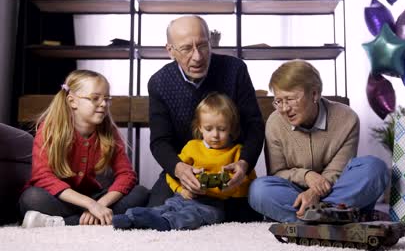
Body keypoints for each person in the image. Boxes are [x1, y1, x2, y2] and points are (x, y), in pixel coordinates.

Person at [147, 15, 264, 222]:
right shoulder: (158, 82)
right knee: (158, 210)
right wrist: (180, 170)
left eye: (203, 46)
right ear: (170, 50)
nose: (198, 57)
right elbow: (160, 142)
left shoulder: (236, 70)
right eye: (186, 49)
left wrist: (244, 164)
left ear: (211, 42)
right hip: (185, 169)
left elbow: (254, 125)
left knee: (248, 217)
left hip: (229, 170)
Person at [248, 60, 389, 222]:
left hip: (336, 187)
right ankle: (340, 216)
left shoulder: (347, 118)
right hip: (296, 191)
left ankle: (308, 219)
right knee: (258, 190)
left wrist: (314, 193)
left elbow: (337, 170)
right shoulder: (274, 122)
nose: (285, 109)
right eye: (279, 101)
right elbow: (277, 173)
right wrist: (306, 176)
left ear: (314, 94)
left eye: (290, 99)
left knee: (374, 167)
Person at [19, 70, 148, 228]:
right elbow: (43, 176)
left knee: (140, 193)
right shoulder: (49, 129)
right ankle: (97, 219)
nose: (103, 104)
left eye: (107, 99)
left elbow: (127, 175)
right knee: (31, 198)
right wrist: (90, 205)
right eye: (95, 98)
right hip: (63, 199)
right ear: (72, 101)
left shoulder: (108, 131)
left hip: (95, 197)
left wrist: (100, 204)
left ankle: (63, 223)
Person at [113, 93, 256, 230]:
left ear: (231, 127)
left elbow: (247, 182)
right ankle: (131, 218)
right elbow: (172, 172)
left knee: (193, 216)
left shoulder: (238, 152)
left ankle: (167, 222)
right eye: (208, 129)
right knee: (166, 206)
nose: (215, 135)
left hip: (214, 204)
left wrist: (231, 188)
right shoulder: (192, 147)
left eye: (222, 129)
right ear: (200, 127)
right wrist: (181, 190)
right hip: (185, 196)